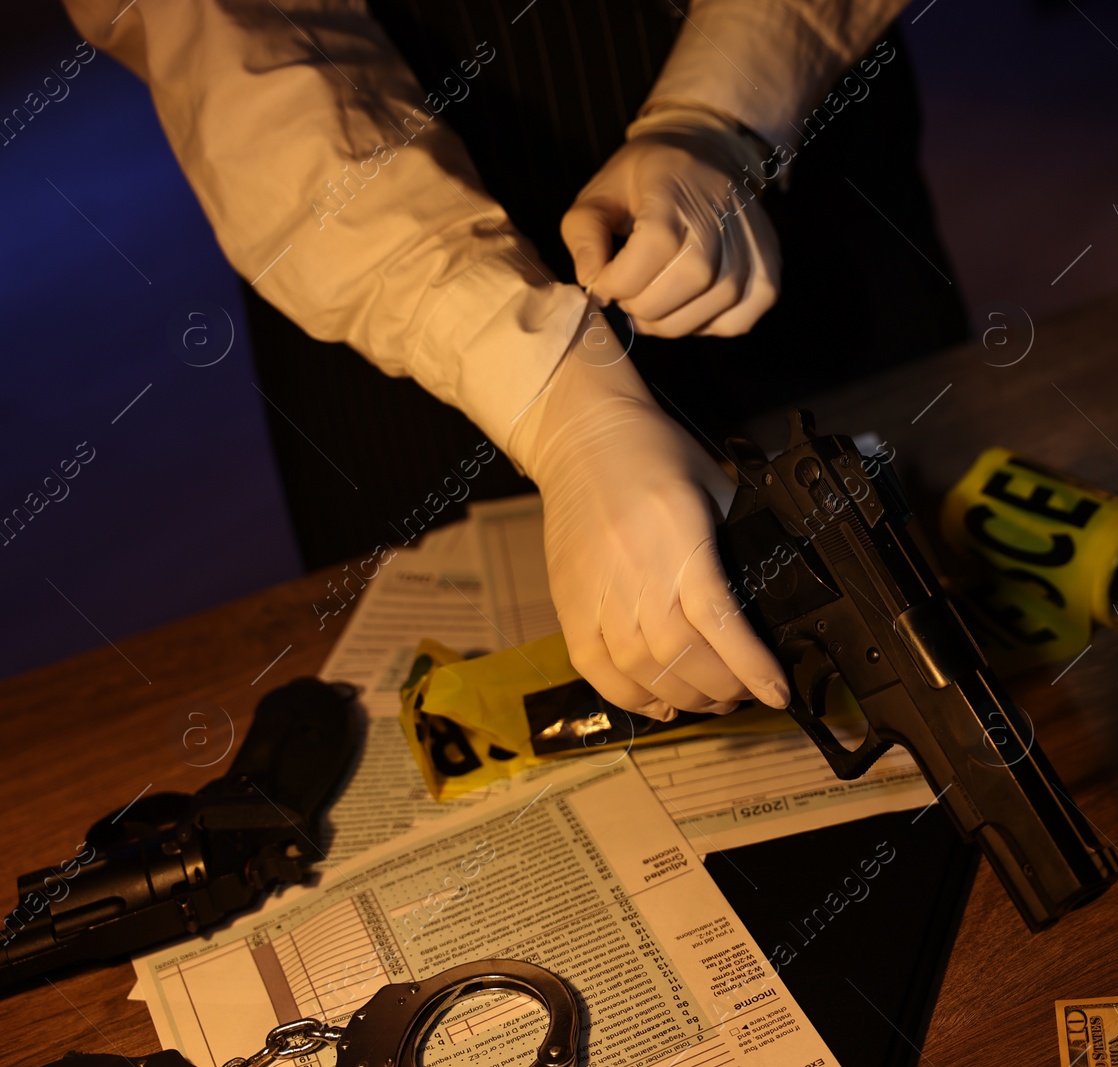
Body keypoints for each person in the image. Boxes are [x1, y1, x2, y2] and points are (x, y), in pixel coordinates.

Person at [63, 0, 965, 720]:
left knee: (940, 624)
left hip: (801, 185)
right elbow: (233, 39)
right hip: (390, 288)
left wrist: (722, 116)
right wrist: (560, 406)